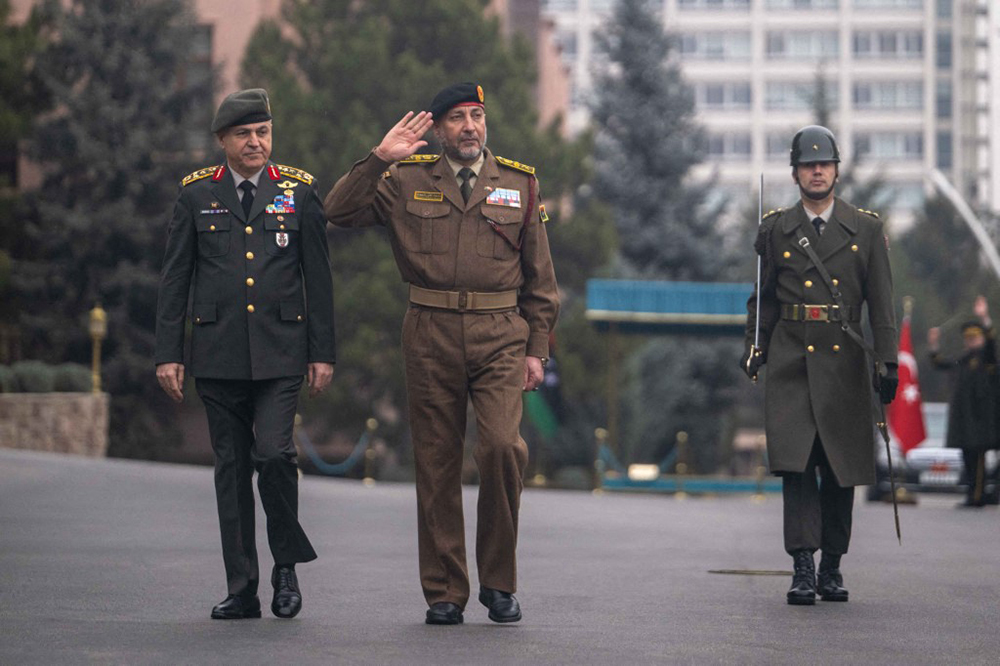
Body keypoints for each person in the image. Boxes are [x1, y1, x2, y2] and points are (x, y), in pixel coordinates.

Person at [324, 82, 559, 625]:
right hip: (428, 329)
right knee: (436, 462)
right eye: (457, 118)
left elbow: (541, 280)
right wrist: (379, 158)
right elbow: (337, 210)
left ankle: (499, 584)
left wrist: (536, 349)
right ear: (437, 128)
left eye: (477, 115)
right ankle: (445, 591)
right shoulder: (405, 180)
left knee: (502, 448)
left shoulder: (519, 184)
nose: (470, 126)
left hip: (500, 331)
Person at [155, 88, 336, 620]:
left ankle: (286, 567)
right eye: (243, 134)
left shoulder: (299, 192)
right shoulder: (195, 196)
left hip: (282, 353)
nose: (255, 142)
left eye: (262, 132)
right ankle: (242, 587)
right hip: (217, 352)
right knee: (231, 469)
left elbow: (318, 280)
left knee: (275, 455)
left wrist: (322, 352)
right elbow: (175, 279)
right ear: (222, 141)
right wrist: (170, 353)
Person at [741, 125, 898, 605]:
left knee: (839, 466)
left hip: (845, 359)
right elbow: (762, 299)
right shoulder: (775, 228)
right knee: (797, 465)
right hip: (791, 358)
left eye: (824, 164)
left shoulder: (866, 229)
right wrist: (755, 346)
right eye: (808, 164)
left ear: (836, 170)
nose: (816, 171)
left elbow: (882, 302)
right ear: (794, 172)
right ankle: (803, 566)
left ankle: (832, 564)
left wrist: (887, 362)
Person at [928, 296, 999, 507]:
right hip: (967, 421)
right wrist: (933, 345)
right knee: (968, 458)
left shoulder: (987, 359)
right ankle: (972, 493)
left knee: (977, 460)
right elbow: (941, 363)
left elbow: (992, 345)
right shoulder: (965, 359)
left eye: (975, 338)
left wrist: (984, 317)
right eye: (968, 338)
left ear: (981, 338)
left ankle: (976, 497)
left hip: (981, 420)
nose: (971, 342)